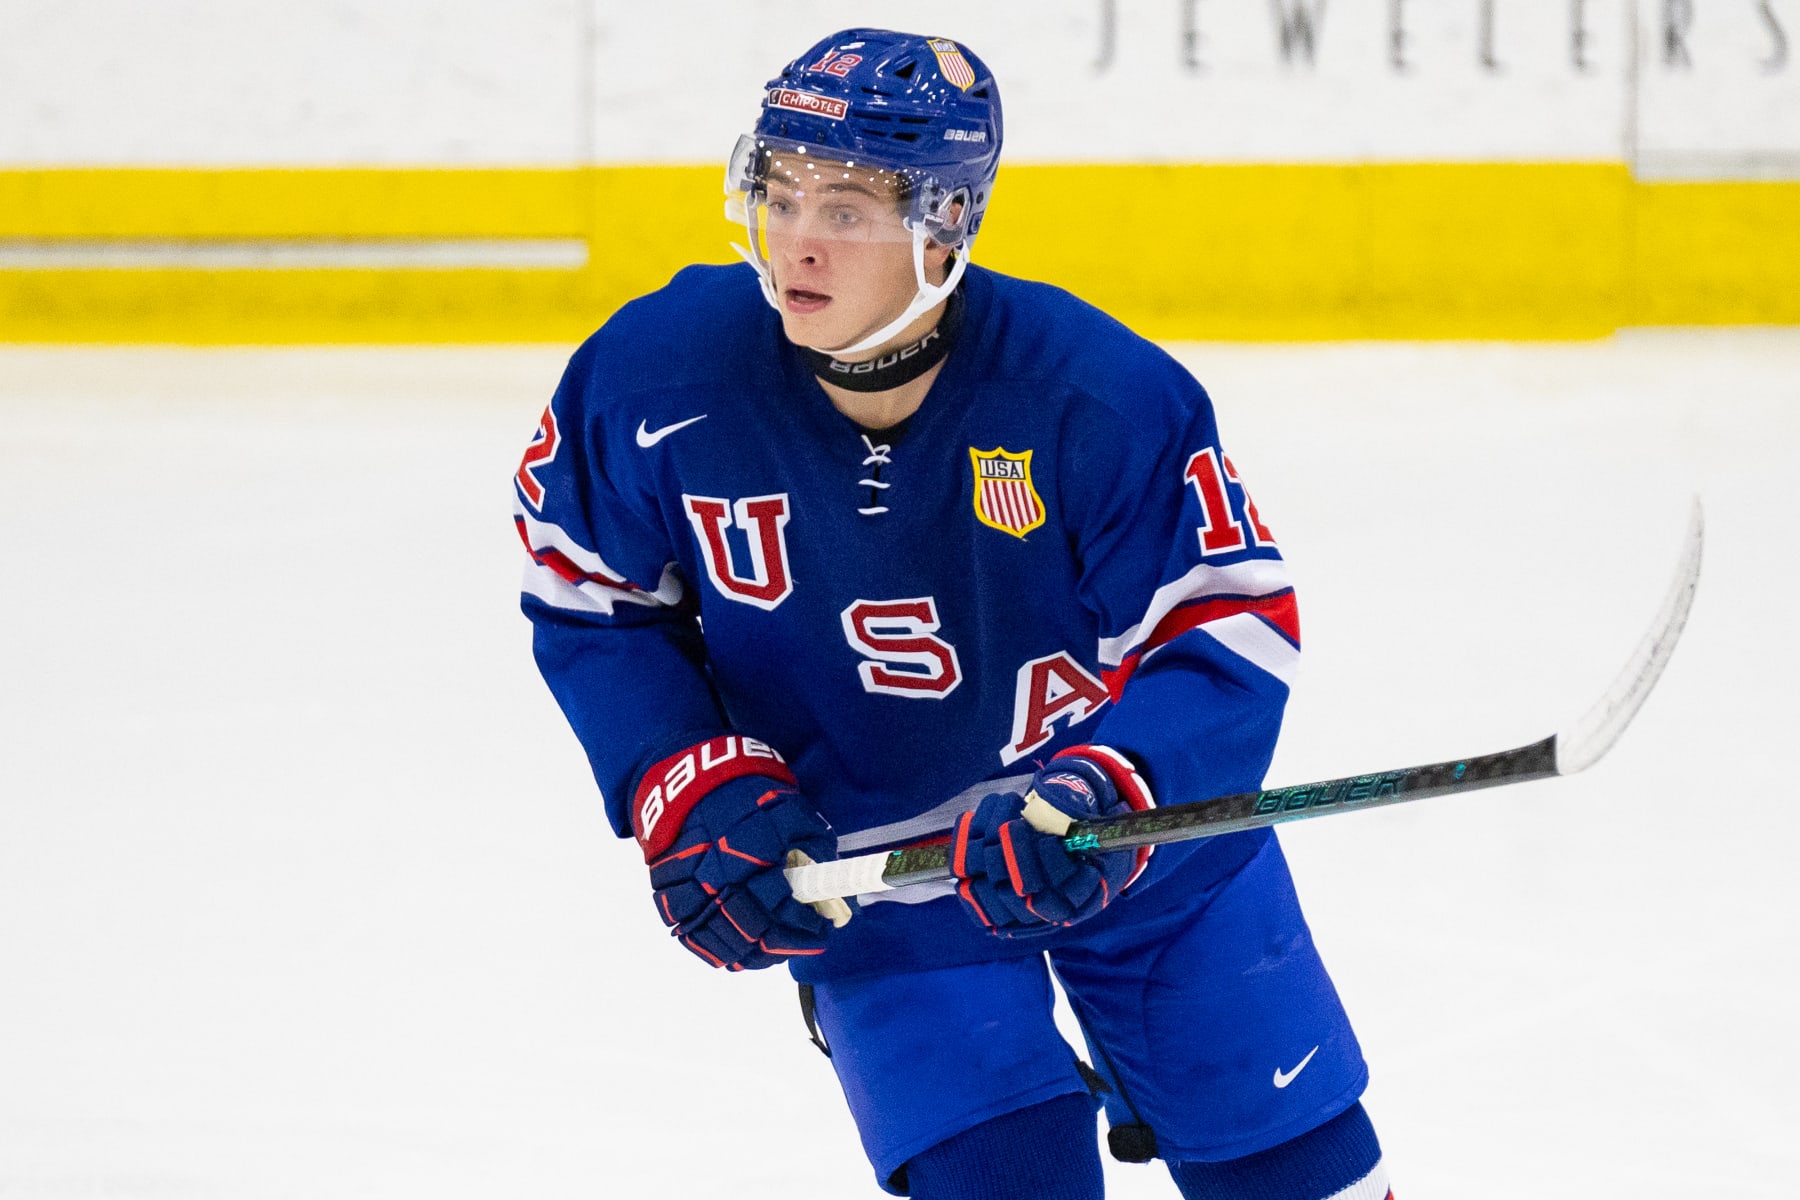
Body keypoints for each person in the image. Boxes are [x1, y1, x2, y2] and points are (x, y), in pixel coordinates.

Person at [514, 27, 1393, 1200]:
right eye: (777, 191)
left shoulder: (1097, 397)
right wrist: (692, 779)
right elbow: (592, 599)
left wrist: (1104, 791)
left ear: (946, 223)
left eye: (848, 206)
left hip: (1131, 849)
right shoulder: (653, 379)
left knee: (1300, 1182)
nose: (796, 240)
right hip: (876, 883)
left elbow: (1220, 627)